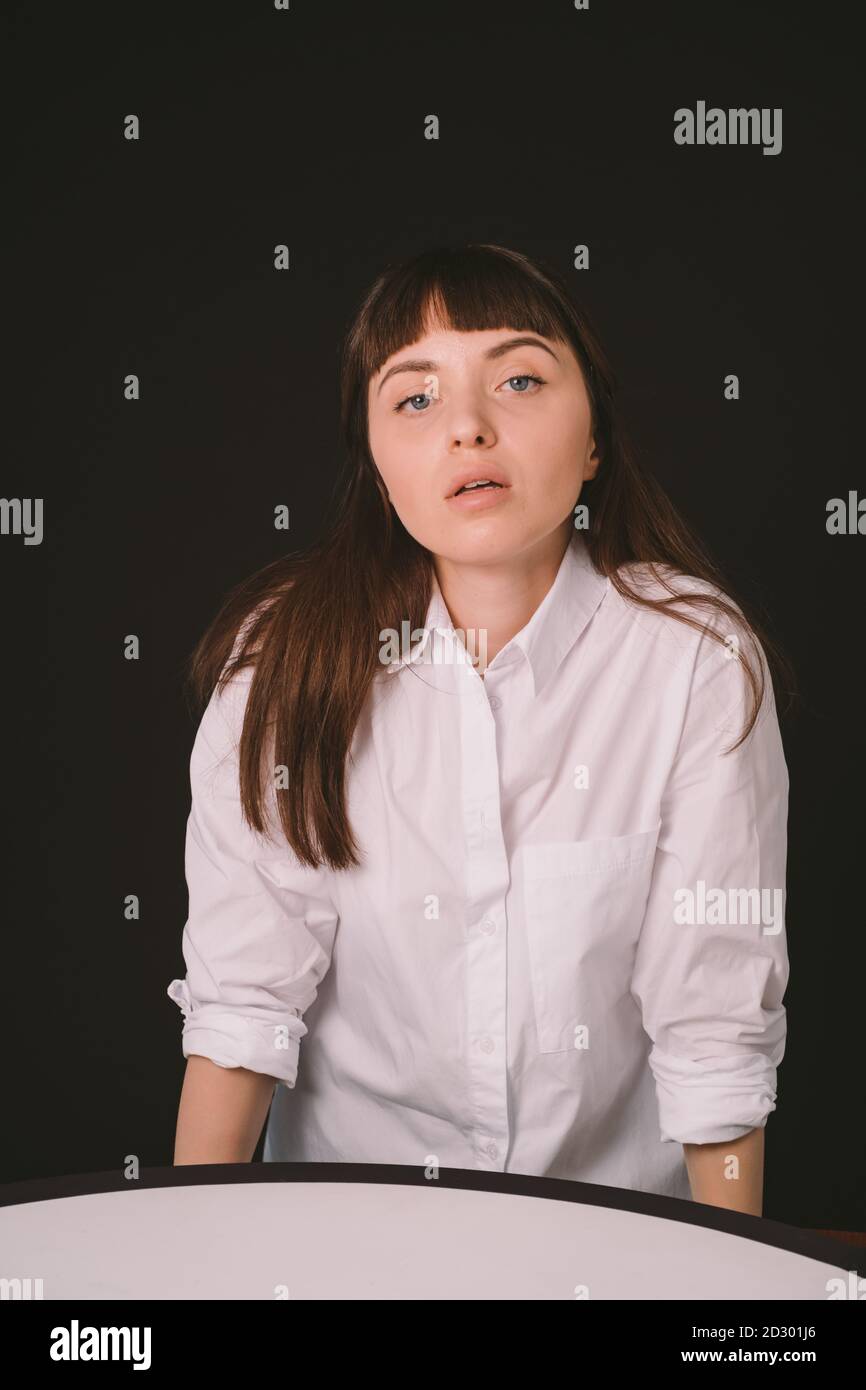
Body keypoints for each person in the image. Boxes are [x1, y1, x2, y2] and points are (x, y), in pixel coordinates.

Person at [167, 243, 792, 1211]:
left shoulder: (693, 663)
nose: (467, 427)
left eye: (517, 379)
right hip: (352, 1260)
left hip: (617, 1258)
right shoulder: (281, 667)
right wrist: (179, 1269)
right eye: (414, 398)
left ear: (592, 443)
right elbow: (242, 1010)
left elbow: (712, 1034)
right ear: (376, 469)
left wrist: (727, 1326)